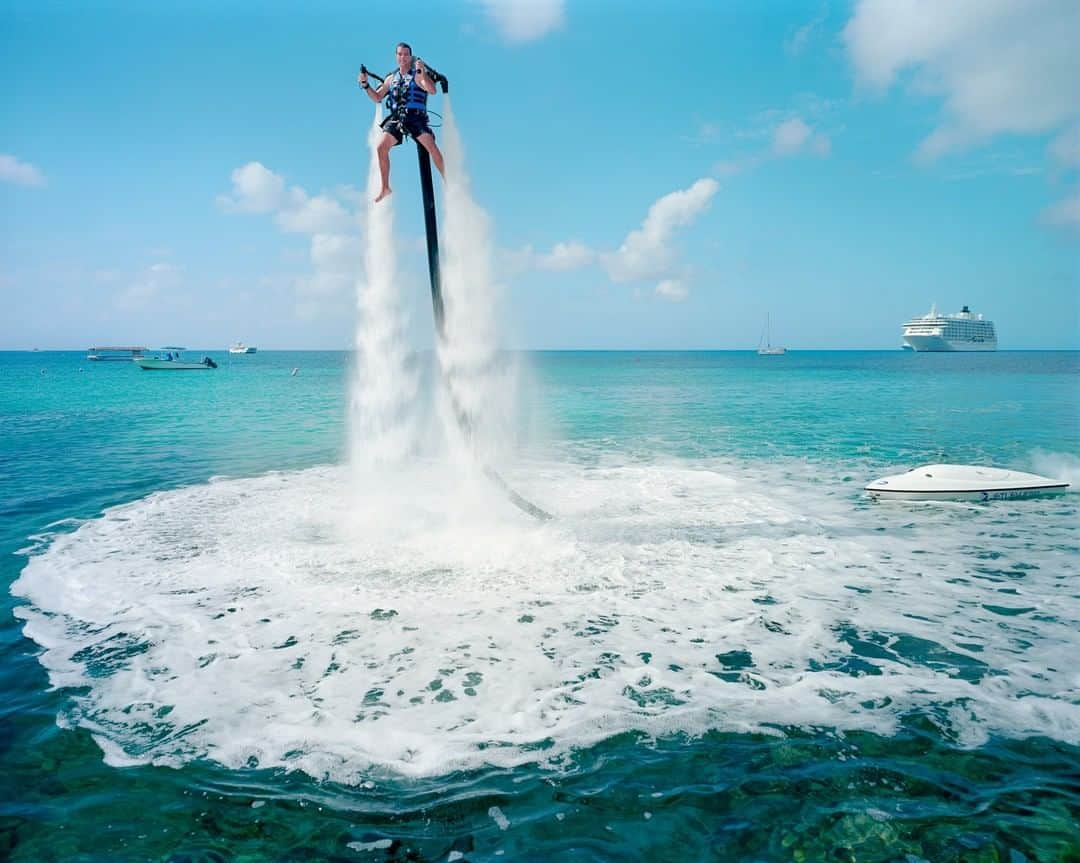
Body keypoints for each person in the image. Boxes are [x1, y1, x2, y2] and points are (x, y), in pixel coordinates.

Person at [358, 42, 445, 203]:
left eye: (406, 54)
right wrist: (365, 84)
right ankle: (385, 187)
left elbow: (432, 90)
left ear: (410, 56)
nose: (403, 57)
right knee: (380, 147)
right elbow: (377, 97)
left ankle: (448, 179)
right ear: (396, 56)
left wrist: (422, 72)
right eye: (400, 54)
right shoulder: (391, 78)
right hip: (398, 117)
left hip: (416, 117)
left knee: (432, 147)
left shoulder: (418, 74)